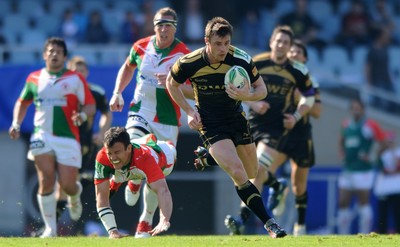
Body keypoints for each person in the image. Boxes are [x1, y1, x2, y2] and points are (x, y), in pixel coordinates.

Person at [166, 16, 287, 238]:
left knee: (252, 172)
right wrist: (189, 111)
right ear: (206, 41)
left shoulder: (241, 59)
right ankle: (270, 223)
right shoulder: (189, 62)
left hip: (236, 119)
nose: (223, 49)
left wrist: (247, 95)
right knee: (239, 173)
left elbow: (262, 90)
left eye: (227, 43)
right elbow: (170, 83)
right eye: (218, 44)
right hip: (210, 124)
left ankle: (209, 157)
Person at [223, 28, 316, 236]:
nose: (281, 45)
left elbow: (309, 97)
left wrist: (296, 116)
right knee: (249, 172)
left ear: (290, 46)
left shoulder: (298, 70)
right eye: (278, 40)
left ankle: (241, 219)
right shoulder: (257, 62)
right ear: (271, 42)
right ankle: (276, 184)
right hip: (252, 124)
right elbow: (236, 85)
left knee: (259, 166)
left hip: (276, 129)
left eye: (286, 42)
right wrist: (252, 103)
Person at [108, 7, 191, 238]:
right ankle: (134, 180)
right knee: (132, 145)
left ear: (175, 27)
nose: (164, 29)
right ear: (153, 26)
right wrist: (117, 92)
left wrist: (173, 82)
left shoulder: (184, 55)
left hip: (167, 120)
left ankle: (145, 220)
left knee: (157, 170)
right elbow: (127, 67)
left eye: (168, 25)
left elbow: (193, 89)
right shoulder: (140, 46)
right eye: (160, 24)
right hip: (140, 111)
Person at [8, 37, 96, 238]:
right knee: (46, 179)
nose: (54, 54)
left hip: (68, 138)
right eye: (50, 51)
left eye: (58, 51)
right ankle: (50, 228)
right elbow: (22, 103)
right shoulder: (34, 78)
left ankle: (75, 195)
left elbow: (90, 106)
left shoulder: (75, 79)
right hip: (42, 136)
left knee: (67, 185)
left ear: (65, 56)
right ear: (44, 55)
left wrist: (82, 115)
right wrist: (16, 123)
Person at [94, 127, 176, 239]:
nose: (113, 157)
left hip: (164, 157)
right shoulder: (102, 157)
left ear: (128, 148)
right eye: (110, 153)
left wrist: (164, 219)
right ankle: (130, 180)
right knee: (125, 193)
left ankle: (145, 219)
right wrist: (112, 231)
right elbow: (101, 199)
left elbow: (163, 190)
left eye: (117, 152)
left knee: (153, 182)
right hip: (134, 158)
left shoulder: (145, 158)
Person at [66, 55, 113, 234]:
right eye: (75, 70)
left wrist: (101, 133)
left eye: (82, 70)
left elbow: (106, 114)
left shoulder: (96, 92)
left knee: (91, 184)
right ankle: (54, 226)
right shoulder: (63, 92)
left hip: (88, 145)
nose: (79, 73)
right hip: (66, 143)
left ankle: (89, 226)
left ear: (87, 72)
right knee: (65, 185)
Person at [337, 97, 385, 234]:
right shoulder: (346, 124)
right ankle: (342, 236)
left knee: (363, 202)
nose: (356, 111)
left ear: (363, 110)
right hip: (348, 168)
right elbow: (341, 141)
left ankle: (364, 234)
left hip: (363, 170)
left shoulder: (370, 125)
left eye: (358, 108)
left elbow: (383, 142)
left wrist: (373, 156)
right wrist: (342, 155)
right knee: (342, 202)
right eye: (353, 108)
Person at [374, 131, 400, 234]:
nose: (389, 143)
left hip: (396, 188)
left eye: (391, 141)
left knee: (397, 213)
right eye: (387, 141)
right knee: (382, 214)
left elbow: (397, 166)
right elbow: (380, 167)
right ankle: (381, 234)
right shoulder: (382, 154)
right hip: (384, 189)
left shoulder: (398, 152)